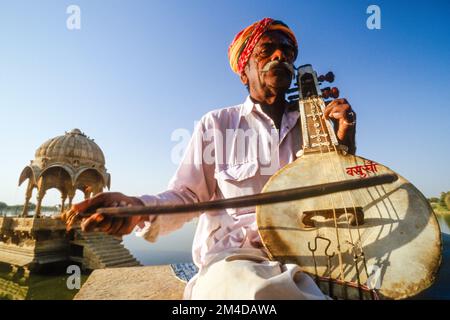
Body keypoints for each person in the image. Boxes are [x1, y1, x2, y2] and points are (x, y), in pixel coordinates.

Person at [66, 17, 356, 299]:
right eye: (267, 49)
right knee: (251, 293)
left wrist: (344, 142)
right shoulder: (217, 124)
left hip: (314, 246)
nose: (281, 54)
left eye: (288, 52)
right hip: (241, 256)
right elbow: (186, 195)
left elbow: (334, 194)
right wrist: (139, 208)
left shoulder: (315, 125)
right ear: (244, 71)